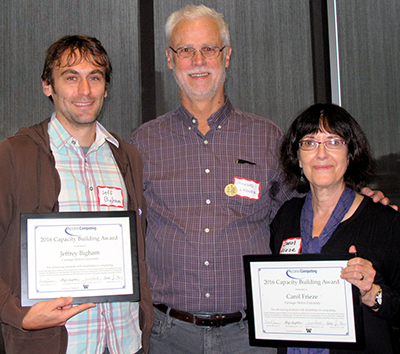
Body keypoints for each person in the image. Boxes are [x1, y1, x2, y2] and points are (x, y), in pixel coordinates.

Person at [130, 5, 390, 354]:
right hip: (168, 334)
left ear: (227, 56)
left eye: (209, 48)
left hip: (250, 335)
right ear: (169, 58)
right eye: (185, 50)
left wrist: (360, 203)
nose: (198, 60)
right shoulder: (143, 142)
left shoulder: (266, 137)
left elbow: (307, 210)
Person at [0, 35, 153, 354]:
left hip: (124, 343)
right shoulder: (14, 156)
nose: (84, 91)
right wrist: (18, 315)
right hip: (54, 345)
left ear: (106, 88)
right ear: (48, 86)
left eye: (94, 78)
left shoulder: (127, 158)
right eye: (71, 77)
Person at [270, 103, 400, 354]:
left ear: (350, 154)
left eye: (334, 142)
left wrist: (371, 293)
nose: (321, 154)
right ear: (297, 157)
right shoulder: (285, 217)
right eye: (309, 142)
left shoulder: (384, 221)